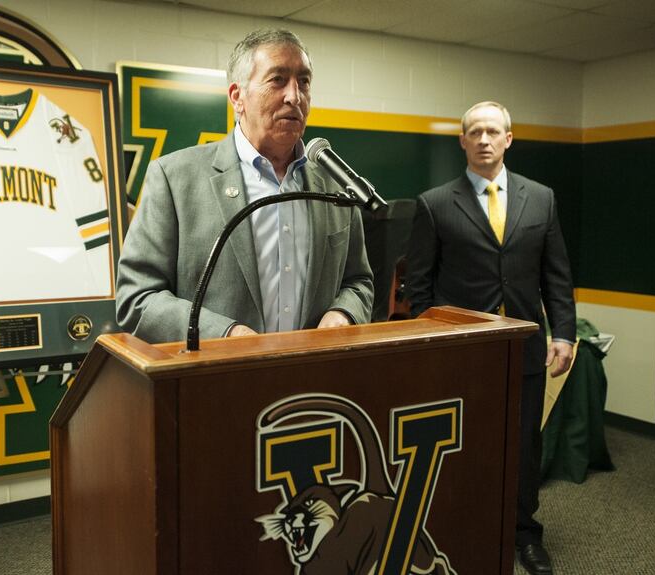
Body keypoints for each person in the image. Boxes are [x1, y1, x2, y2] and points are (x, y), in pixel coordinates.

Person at [404, 101, 576, 575]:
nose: (483, 139)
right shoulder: (435, 203)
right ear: (462, 141)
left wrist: (564, 333)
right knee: (462, 444)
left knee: (523, 445)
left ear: (508, 139)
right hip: (463, 354)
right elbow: (418, 289)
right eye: (474, 131)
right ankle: (460, 528)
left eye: (492, 131)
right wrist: (433, 342)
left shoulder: (541, 199)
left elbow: (556, 276)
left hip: (524, 348)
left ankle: (525, 533)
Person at [115, 29, 373, 343]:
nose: (295, 96)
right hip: (217, 379)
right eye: (278, 79)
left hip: (312, 380)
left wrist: (344, 313)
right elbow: (138, 298)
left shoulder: (335, 184)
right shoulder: (174, 178)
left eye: (304, 81)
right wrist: (224, 334)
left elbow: (358, 281)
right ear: (238, 97)